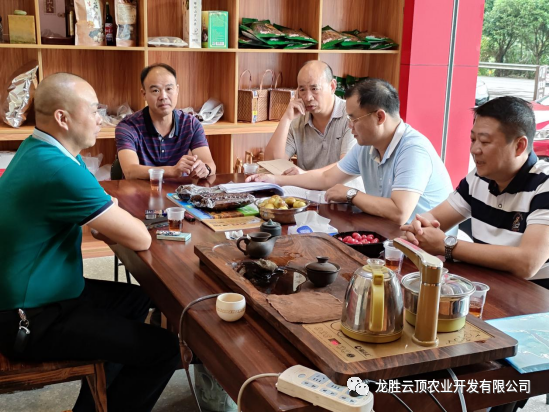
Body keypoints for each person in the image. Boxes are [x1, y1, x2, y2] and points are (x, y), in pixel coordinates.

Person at [0, 73, 180, 412]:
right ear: (62, 118)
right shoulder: (58, 168)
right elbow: (139, 236)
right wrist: (127, 222)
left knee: (138, 300)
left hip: (48, 293)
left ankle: (94, 406)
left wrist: (115, 221)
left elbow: (103, 220)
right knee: (166, 349)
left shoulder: (42, 148)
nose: (101, 118)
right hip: (28, 318)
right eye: (94, 109)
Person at [247, 78, 453, 225]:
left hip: (427, 250)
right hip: (389, 234)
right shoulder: (367, 146)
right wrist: (275, 180)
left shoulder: (413, 150)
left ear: (380, 117)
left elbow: (400, 212)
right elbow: (327, 178)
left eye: (354, 119)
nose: (349, 126)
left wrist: (351, 194)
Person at [402, 96, 549, 285]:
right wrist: (419, 227)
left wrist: (447, 245)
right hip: (486, 286)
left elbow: (527, 263)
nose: (474, 149)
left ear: (519, 146)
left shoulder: (544, 185)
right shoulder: (479, 178)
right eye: (473, 139)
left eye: (485, 142)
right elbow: (434, 218)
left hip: (533, 297)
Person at [115, 63, 216, 179]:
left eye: (168, 89)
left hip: (179, 190)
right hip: (139, 189)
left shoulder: (191, 124)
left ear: (177, 90)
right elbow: (130, 171)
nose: (163, 96)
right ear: (144, 94)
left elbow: (210, 164)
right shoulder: (128, 126)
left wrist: (205, 169)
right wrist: (171, 171)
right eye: (155, 90)